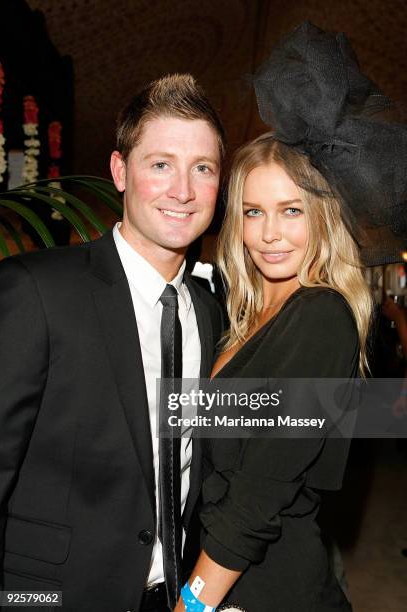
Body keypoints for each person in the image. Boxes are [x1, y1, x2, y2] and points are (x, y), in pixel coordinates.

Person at [176, 22, 406, 612]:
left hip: (267, 590)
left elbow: (257, 497)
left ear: (323, 219)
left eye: (291, 210)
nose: (269, 234)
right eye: (253, 211)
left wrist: (193, 603)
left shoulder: (322, 316)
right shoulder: (245, 311)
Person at [0, 74, 224, 612]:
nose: (183, 191)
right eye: (161, 164)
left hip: (170, 596)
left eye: (203, 169)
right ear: (120, 172)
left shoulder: (213, 310)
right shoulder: (36, 290)